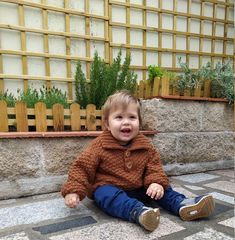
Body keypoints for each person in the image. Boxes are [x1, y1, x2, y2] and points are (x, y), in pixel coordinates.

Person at [61, 90, 215, 232]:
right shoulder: (98, 146)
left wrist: (156, 182)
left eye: (132, 117)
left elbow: (154, 167)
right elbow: (81, 168)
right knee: (103, 194)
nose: (126, 122)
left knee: (161, 190)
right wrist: (73, 190)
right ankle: (138, 212)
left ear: (139, 122)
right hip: (111, 188)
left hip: (140, 188)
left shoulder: (145, 145)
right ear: (107, 124)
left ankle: (182, 205)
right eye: (119, 117)